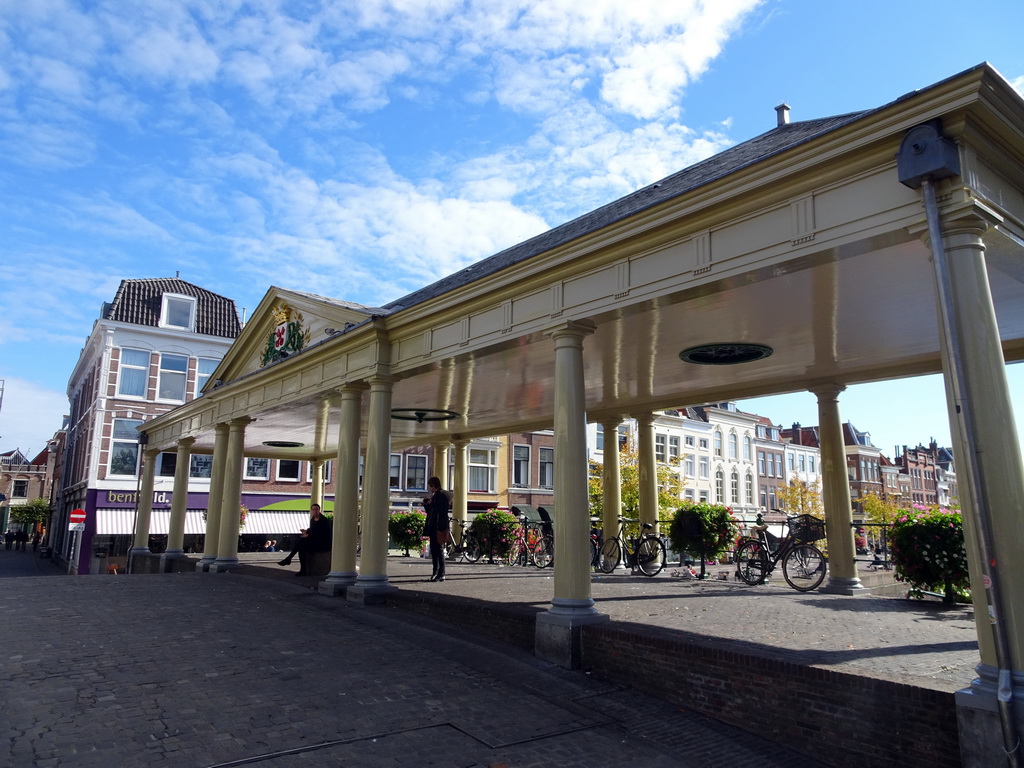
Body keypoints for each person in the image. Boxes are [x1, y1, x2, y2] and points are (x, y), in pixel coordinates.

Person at [277, 504, 332, 576]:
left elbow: (321, 534)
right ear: (311, 511)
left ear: (319, 510)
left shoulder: (324, 521)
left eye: (316, 509)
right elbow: (313, 530)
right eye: (313, 509)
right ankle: (302, 569)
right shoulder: (313, 520)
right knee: (301, 549)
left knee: (301, 542)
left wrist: (308, 535)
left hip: (322, 543)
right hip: (314, 542)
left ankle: (289, 559)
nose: (315, 511)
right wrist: (306, 532)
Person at [422, 476, 451, 582]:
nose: (429, 489)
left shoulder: (439, 497)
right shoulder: (440, 496)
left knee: (437, 551)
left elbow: (437, 512)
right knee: (437, 550)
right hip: (437, 526)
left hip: (436, 527)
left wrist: (428, 504)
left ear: (433, 486)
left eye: (430, 486)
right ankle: (438, 573)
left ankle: (439, 573)